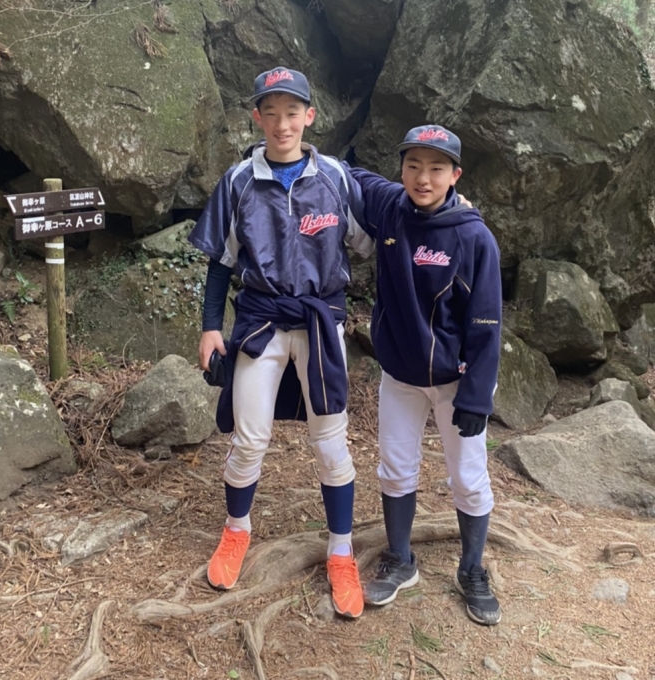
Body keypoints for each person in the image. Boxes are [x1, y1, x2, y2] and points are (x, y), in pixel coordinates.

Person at [187, 66, 375, 619]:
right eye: (271, 112)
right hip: (261, 321)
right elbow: (221, 262)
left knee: (331, 444)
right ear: (258, 117)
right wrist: (210, 325)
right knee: (249, 439)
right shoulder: (238, 181)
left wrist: (447, 211)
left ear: (309, 116)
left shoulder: (336, 178)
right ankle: (236, 530)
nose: (282, 123)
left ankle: (341, 551)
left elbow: (378, 241)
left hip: (320, 322)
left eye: (292, 112)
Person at [347, 124, 503, 625]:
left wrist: (476, 397)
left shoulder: (474, 238)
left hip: (457, 380)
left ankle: (472, 569)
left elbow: (487, 324)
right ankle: (400, 560)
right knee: (395, 468)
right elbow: (347, 176)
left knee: (469, 478)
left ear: (455, 175)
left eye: (436, 168)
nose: (423, 177)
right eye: (413, 165)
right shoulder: (390, 208)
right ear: (401, 169)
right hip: (401, 375)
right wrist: (297, 154)